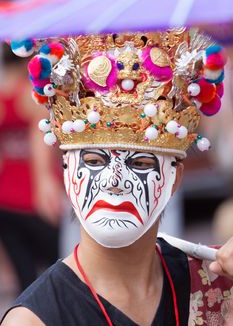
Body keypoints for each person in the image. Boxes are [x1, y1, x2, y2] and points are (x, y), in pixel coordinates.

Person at [1, 29, 233, 326]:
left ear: (174, 179)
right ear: (66, 171)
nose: (115, 179)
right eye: (95, 160)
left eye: (141, 162)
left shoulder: (216, 283)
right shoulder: (33, 321)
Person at [0, 44, 64, 293]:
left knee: (23, 274)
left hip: (4, 194)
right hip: (33, 195)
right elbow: (40, 142)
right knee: (54, 268)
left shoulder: (4, 96)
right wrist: (44, 182)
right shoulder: (29, 94)